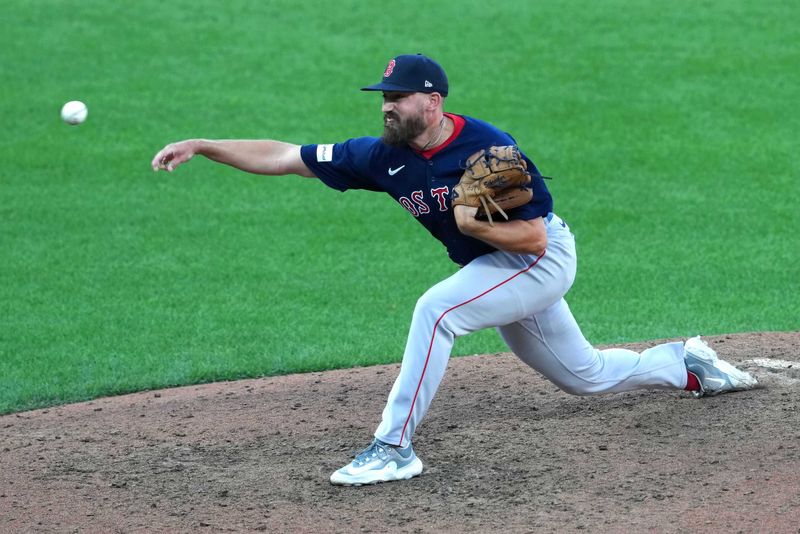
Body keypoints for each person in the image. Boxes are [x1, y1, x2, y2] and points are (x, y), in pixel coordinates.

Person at [151, 53, 758, 487]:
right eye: (383, 98)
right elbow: (287, 156)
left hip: (537, 260)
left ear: (432, 102)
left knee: (436, 309)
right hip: (498, 268)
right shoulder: (380, 155)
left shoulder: (489, 150)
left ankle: (392, 447)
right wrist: (205, 146)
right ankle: (685, 364)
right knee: (585, 375)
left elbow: (535, 235)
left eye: (397, 98)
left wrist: (476, 225)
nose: (386, 107)